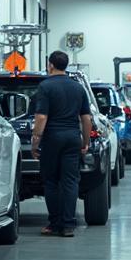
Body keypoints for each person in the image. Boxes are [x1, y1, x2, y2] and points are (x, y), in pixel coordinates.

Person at [31, 51, 93, 237]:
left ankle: (54, 223)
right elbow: (86, 118)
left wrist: (35, 142)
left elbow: (41, 117)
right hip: (72, 137)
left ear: (50, 64)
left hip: (52, 138)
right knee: (70, 181)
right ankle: (68, 225)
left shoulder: (45, 86)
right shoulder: (78, 88)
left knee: (51, 181)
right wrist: (85, 141)